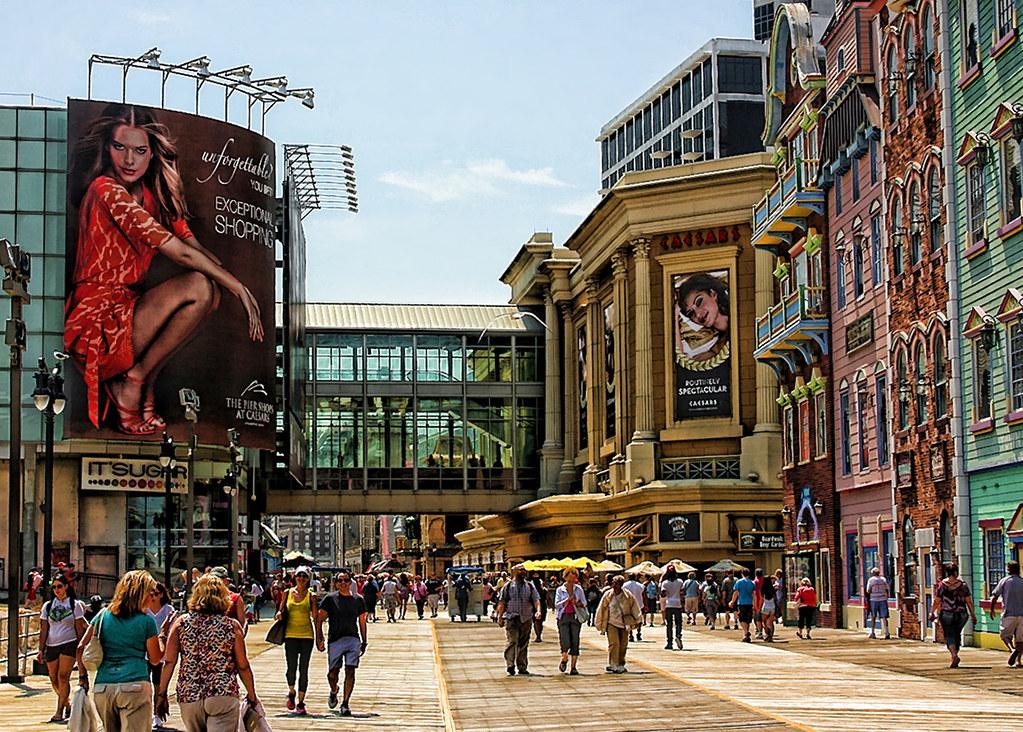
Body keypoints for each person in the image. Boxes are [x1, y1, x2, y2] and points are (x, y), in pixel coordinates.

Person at [65, 103, 263, 435]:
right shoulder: (105, 190)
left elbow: (190, 244)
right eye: (120, 148)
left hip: (128, 308)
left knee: (208, 292)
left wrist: (229, 279)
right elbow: (180, 255)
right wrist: (239, 288)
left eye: (140, 151)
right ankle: (133, 383)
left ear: (152, 153)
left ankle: (138, 379)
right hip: (95, 322)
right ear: (106, 147)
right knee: (201, 286)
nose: (129, 161)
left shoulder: (150, 192)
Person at [156, 575, 258, 732]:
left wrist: (161, 694)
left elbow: (169, 661)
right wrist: (252, 694)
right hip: (222, 693)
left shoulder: (181, 623)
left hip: (189, 695)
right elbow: (243, 665)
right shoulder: (231, 625)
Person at [76, 570, 166, 732]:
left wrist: (83, 677)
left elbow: (81, 647)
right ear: (142, 593)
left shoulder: (102, 616)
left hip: (103, 686)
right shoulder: (146, 621)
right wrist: (162, 637)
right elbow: (155, 659)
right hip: (135, 684)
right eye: (150, 592)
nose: (152, 597)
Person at [316, 570, 368, 717]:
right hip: (335, 640)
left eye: (346, 580)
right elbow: (319, 619)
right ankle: (334, 690)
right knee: (332, 674)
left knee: (350, 671)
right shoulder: (330, 599)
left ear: (350, 583)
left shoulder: (358, 600)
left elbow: (362, 621)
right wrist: (319, 637)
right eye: (340, 581)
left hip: (353, 639)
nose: (343, 583)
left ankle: (345, 703)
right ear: (336, 583)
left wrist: (364, 641)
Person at [38, 573, 88, 723]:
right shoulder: (47, 606)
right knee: (53, 679)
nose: (56, 590)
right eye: (54, 587)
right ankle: (66, 703)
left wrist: (81, 648)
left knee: (63, 676)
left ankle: (59, 711)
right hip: (52, 644)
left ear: (66, 587)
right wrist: (40, 649)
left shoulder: (74, 604)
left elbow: (80, 628)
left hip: (69, 643)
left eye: (59, 586)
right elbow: (44, 629)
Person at [275, 566, 319, 714]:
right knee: (291, 667)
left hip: (307, 636)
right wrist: (279, 614)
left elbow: (315, 617)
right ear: (295, 577)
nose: (301, 578)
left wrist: (320, 637)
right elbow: (280, 610)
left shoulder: (311, 595)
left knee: (304, 669)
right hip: (290, 635)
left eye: (304, 576)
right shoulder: (287, 593)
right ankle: (291, 691)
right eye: (299, 576)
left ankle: (301, 702)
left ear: (308, 579)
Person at [496, 564, 541, 675]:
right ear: (514, 572)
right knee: (512, 641)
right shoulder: (508, 586)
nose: (523, 572)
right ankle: (510, 665)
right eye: (520, 570)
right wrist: (500, 617)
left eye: (524, 570)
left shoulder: (529, 586)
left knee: (523, 643)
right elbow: (502, 602)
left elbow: (536, 600)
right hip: (511, 617)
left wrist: (538, 611)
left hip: (526, 618)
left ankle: (522, 666)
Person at [929, 562, 976, 668]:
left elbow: (937, 601)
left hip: (947, 613)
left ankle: (954, 655)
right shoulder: (963, 585)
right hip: (961, 614)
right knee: (956, 633)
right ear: (956, 572)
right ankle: (955, 654)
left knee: (949, 635)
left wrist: (932, 612)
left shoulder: (942, 585)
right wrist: (973, 615)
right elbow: (968, 601)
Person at [595, 575, 643, 674]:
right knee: (614, 643)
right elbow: (601, 609)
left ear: (621, 585)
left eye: (617, 583)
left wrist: (638, 619)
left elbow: (634, 607)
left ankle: (621, 663)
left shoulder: (627, 595)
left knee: (623, 644)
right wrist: (599, 622)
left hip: (625, 623)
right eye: (613, 583)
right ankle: (613, 664)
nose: (614, 585)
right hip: (611, 622)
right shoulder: (608, 595)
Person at [147, 583, 176, 729]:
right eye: (150, 593)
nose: (153, 597)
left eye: (156, 594)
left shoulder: (168, 610)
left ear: (162, 595)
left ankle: (157, 713)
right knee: (146, 686)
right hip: (145, 652)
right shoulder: (144, 609)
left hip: (161, 652)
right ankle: (147, 714)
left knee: (158, 685)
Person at [988, 560, 1023, 666]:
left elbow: (995, 596)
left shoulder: (1004, 581)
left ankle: (1012, 649)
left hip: (1008, 613)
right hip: (1022, 615)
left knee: (1004, 635)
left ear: (1009, 570)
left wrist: (992, 609)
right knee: (1020, 639)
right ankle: (1018, 660)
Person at [554, 568, 587, 675]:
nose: (572, 580)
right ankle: (564, 658)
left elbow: (584, 603)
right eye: (570, 578)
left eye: (574, 578)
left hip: (575, 617)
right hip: (563, 616)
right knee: (565, 640)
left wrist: (576, 603)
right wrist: (567, 600)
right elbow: (557, 604)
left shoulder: (579, 589)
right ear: (565, 577)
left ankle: (573, 667)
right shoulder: (560, 589)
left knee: (575, 641)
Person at [211, 566, 247, 637]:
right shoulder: (202, 597)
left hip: (228, 639)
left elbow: (242, 623)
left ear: (226, 580)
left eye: (220, 578)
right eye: (213, 578)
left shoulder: (235, 598)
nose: (216, 581)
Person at [660, 565, 684, 650]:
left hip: (669, 604)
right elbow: (682, 593)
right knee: (678, 623)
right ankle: (678, 635)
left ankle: (669, 642)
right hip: (677, 604)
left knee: (669, 624)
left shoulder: (665, 582)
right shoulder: (680, 581)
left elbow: (663, 593)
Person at [730, 567, 757, 643]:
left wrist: (732, 601)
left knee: (742, 619)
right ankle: (746, 634)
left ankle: (745, 632)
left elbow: (736, 593)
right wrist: (755, 604)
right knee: (748, 619)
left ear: (742, 574)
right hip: (749, 603)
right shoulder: (752, 583)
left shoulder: (739, 582)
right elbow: (754, 595)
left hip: (741, 603)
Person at [864, 567, 891, 640]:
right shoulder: (883, 579)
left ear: (872, 573)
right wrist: (886, 596)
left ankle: (873, 632)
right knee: (884, 617)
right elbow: (887, 589)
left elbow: (868, 590)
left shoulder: (871, 580)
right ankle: (887, 632)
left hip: (874, 599)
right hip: (883, 599)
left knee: (873, 616)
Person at [622, 574, 646, 642]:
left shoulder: (624, 585)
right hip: (639, 604)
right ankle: (638, 633)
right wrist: (646, 604)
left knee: (629, 620)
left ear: (628, 577)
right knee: (639, 620)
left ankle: (631, 634)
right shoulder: (640, 585)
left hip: (628, 605)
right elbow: (644, 595)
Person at [759, 571, 777, 642]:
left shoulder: (763, 589)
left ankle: (767, 635)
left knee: (764, 622)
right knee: (771, 622)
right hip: (772, 606)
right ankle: (771, 636)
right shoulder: (773, 589)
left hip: (765, 606)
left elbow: (762, 598)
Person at [530, 572, 548, 641]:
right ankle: (538, 635)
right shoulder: (532, 588)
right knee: (537, 621)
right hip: (536, 605)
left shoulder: (542, 589)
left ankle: (538, 635)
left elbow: (547, 597)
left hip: (540, 605)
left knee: (538, 621)